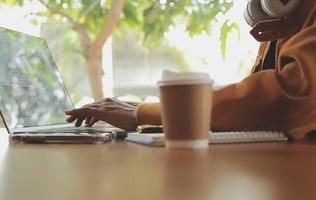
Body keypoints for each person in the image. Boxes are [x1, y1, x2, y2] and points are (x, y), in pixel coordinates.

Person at [65, 0, 316, 139]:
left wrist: (146, 113)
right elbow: (255, 110)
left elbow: (290, 98)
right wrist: (144, 111)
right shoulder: (288, 17)